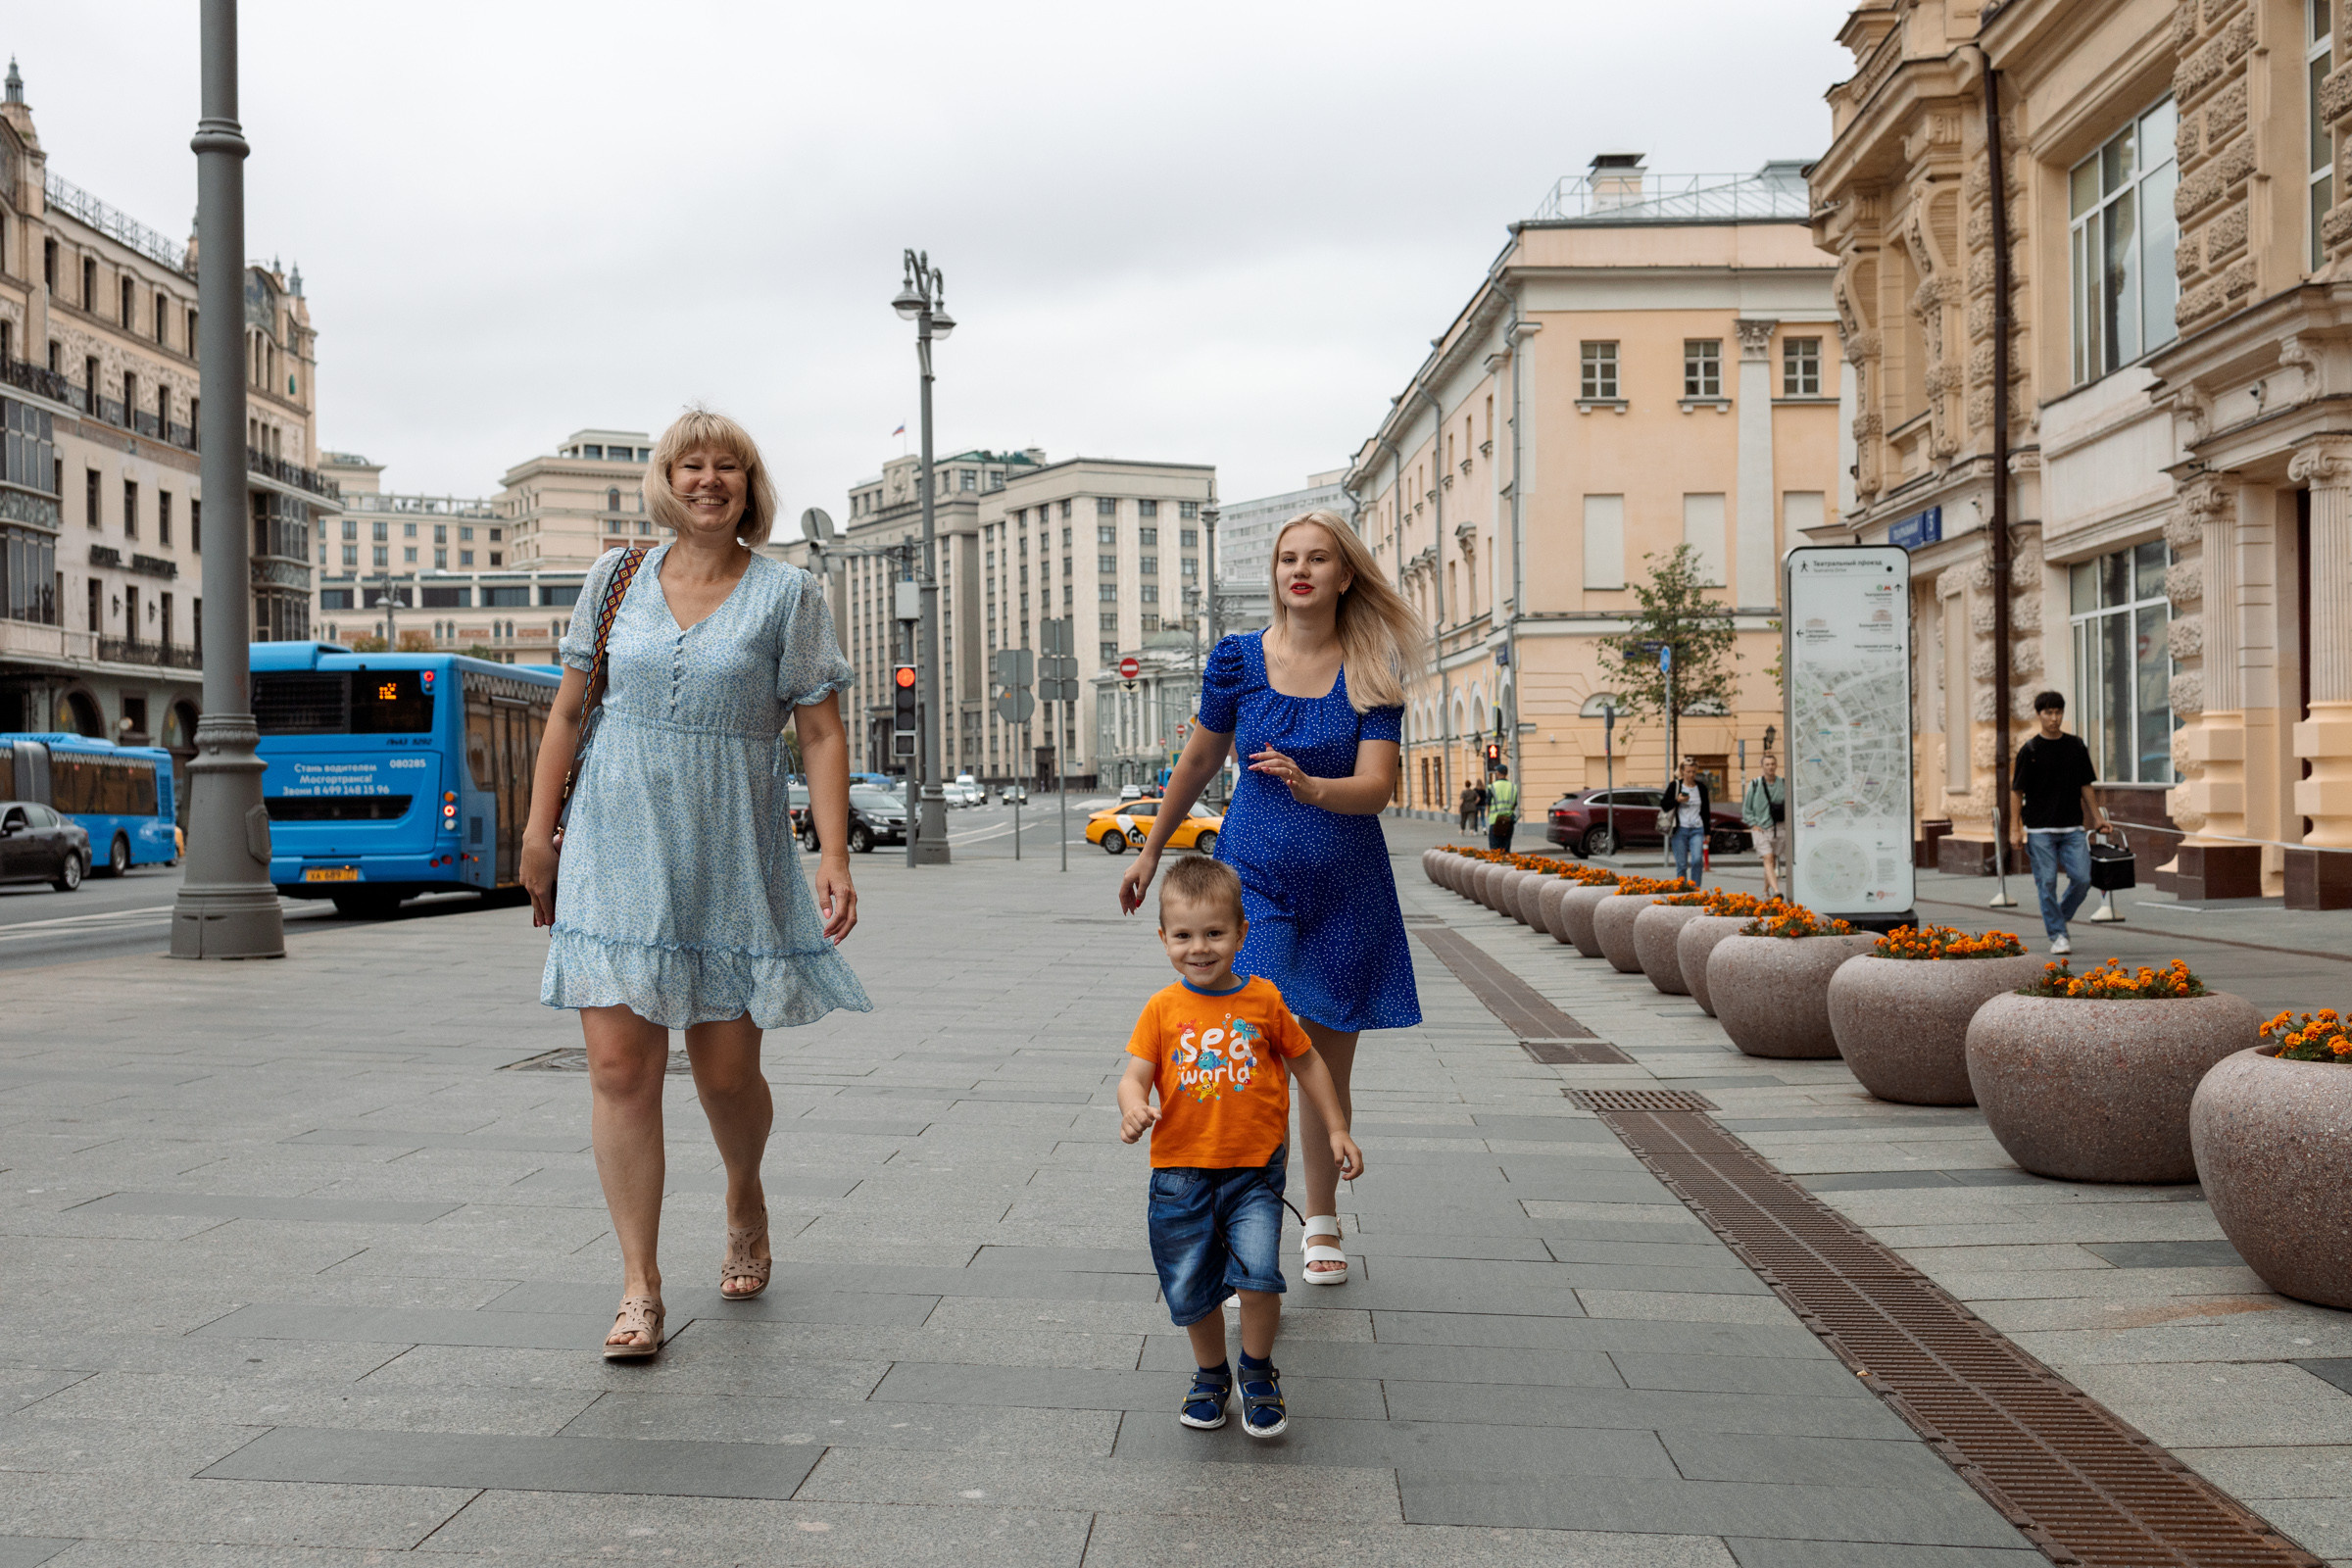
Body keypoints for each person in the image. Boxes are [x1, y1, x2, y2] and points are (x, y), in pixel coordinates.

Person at [520, 408, 872, 1361]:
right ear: (664, 481)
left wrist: (831, 854)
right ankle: (640, 1287)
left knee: (726, 1076)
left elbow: (822, 731)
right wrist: (537, 830)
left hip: (728, 843)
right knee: (620, 1069)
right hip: (611, 838)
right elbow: (566, 709)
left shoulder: (789, 594)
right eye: (690, 465)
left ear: (750, 485)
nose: (707, 480)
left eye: (727, 466)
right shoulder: (617, 575)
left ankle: (744, 1192)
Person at [1118, 508, 1422, 1287]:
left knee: (1322, 1061)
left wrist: (1314, 785)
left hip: (1347, 889)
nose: (1301, 570)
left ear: (1344, 574)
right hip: (1253, 886)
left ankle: (1321, 1221)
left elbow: (1378, 787)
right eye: (1290, 558)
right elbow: (1195, 762)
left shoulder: (1372, 668)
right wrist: (1151, 849)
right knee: (1254, 1057)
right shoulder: (1237, 660)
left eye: (1319, 558)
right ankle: (1244, 1217)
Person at [1119, 857, 1363, 1438]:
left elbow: (1308, 1059)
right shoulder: (1162, 1008)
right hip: (1179, 1172)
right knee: (1190, 1283)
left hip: (1254, 1171)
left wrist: (1335, 1128)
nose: (1198, 948)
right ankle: (1210, 1374)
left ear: (1241, 934)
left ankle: (1257, 1372)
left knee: (1258, 1276)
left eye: (1214, 934)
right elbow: (1134, 1074)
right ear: (1163, 938)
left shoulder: (1264, 1000)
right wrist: (1132, 1106)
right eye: (1183, 936)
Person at [2011, 690, 2110, 956]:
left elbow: (2085, 786)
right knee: (2047, 883)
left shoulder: (2076, 746)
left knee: (2082, 878)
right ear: (2039, 715)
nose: (2054, 718)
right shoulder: (2029, 750)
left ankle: (2057, 917)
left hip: (2072, 828)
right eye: (2049, 713)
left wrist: (2098, 818)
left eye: (2058, 712)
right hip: (2040, 830)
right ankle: (2058, 934)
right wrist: (2014, 829)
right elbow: (2016, 792)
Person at [1742, 752, 1788, 899]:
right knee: (1768, 858)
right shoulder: (1755, 784)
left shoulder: (1783, 783)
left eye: (1773, 764)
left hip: (1778, 827)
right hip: (1760, 828)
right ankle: (1776, 891)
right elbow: (1746, 808)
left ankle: (1765, 890)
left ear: (1776, 765)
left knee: (1772, 860)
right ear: (1762, 766)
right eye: (1767, 764)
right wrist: (1753, 823)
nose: (1770, 767)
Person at [1662, 758, 1711, 887]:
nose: (1691, 775)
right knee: (1682, 864)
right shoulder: (1675, 786)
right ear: (1682, 771)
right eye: (1688, 771)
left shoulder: (1701, 788)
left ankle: (1695, 890)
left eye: (1694, 772)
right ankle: (1682, 892)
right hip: (1680, 830)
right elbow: (1664, 805)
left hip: (1697, 829)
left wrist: (1708, 832)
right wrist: (1677, 801)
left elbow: (1706, 811)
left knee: (1696, 861)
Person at [1486, 766, 1519, 852]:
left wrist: (1488, 816)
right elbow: (1515, 803)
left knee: (1495, 849)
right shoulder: (1513, 787)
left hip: (1495, 821)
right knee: (1506, 848)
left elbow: (1488, 803)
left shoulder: (1492, 787)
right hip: (1508, 820)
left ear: (1498, 773)